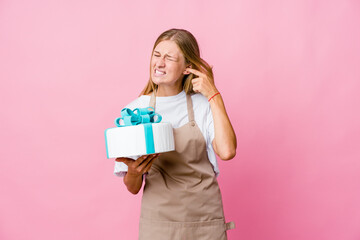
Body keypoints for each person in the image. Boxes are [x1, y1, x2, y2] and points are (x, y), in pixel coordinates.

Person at [114, 28, 237, 240]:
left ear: (187, 67)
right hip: (159, 225)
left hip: (205, 222)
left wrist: (214, 95)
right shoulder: (134, 112)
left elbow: (226, 151)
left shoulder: (203, 105)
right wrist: (134, 172)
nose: (159, 63)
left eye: (169, 58)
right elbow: (133, 188)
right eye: (156, 55)